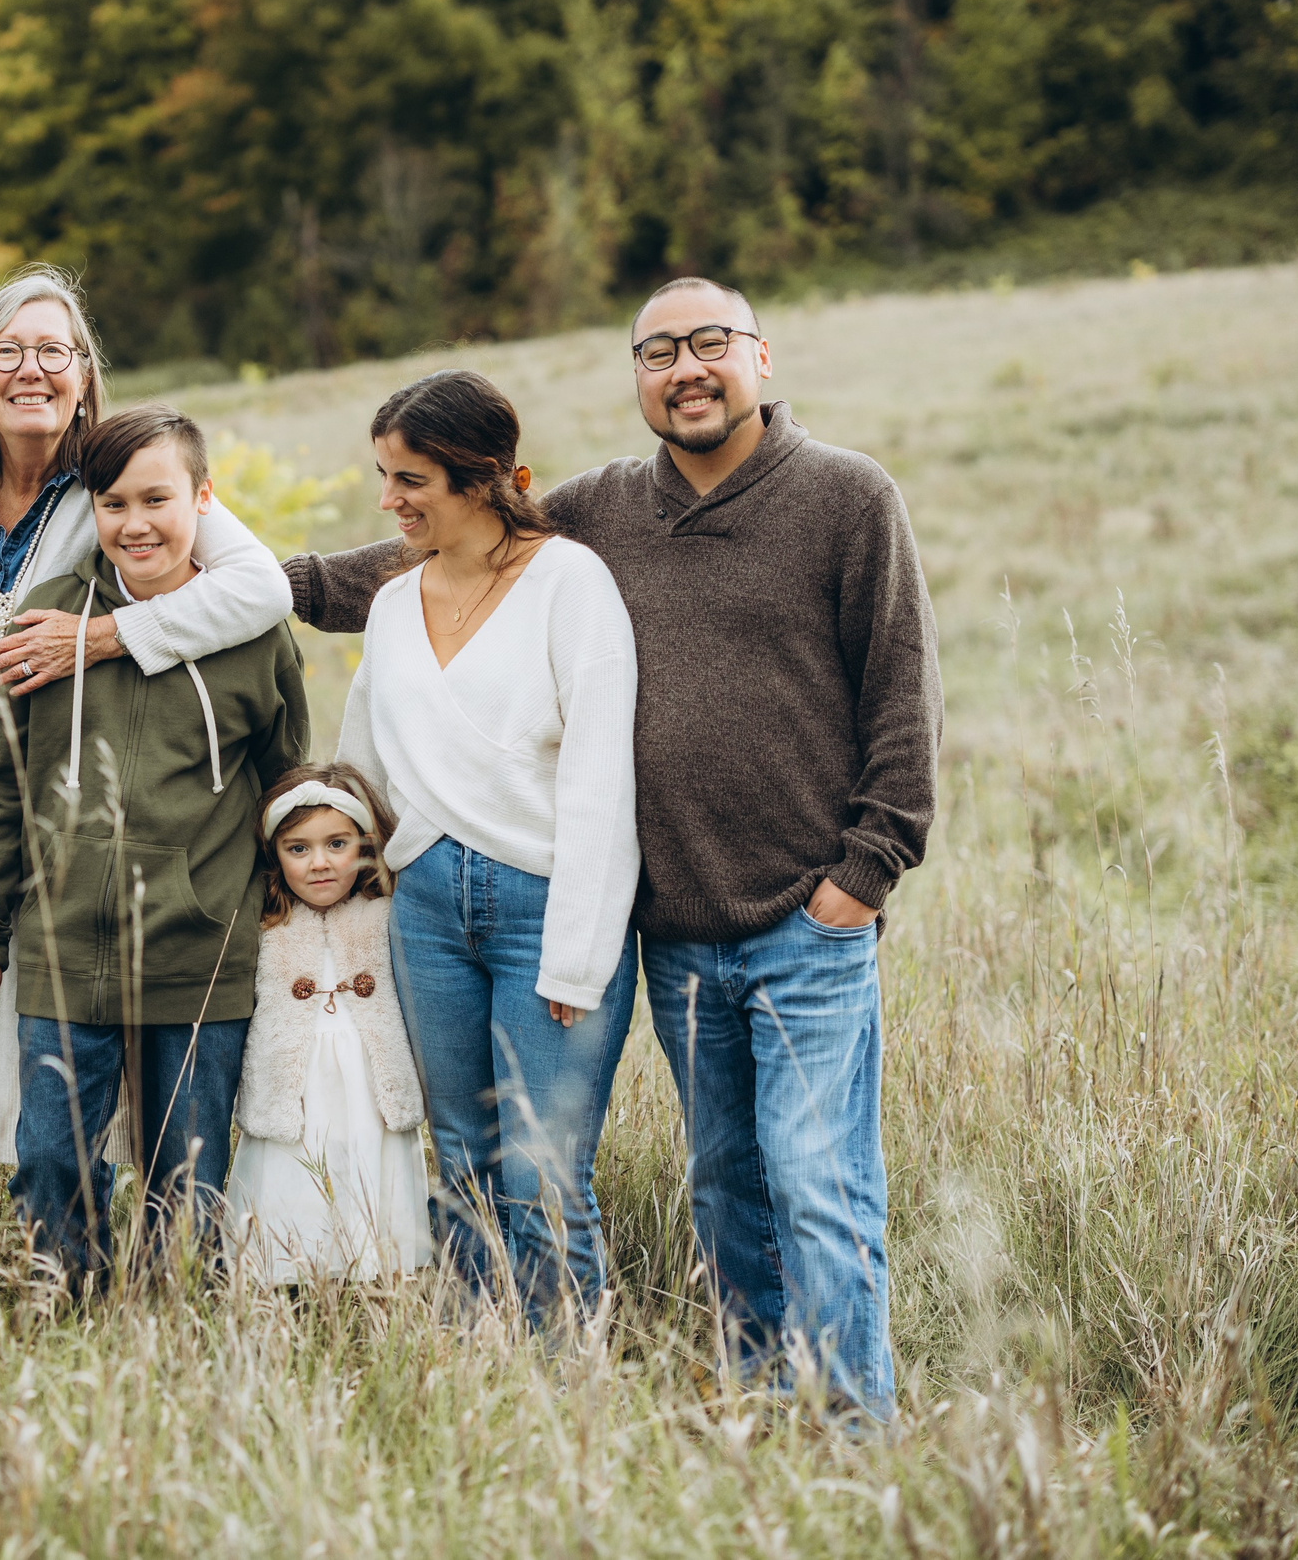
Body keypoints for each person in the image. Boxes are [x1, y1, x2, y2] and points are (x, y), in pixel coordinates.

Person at [287, 278, 941, 1413]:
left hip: (806, 919)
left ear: (760, 358)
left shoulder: (846, 498)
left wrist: (862, 875)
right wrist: (262, 582)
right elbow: (438, 546)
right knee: (727, 1185)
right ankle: (756, 1407)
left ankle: (851, 1436)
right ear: (635, 376)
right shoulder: (600, 510)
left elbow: (902, 699)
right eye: (658, 352)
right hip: (678, 928)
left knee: (819, 1186)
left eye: (709, 344)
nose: (685, 368)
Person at [0, 267, 291, 1278]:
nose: (29, 369)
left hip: (78, 857)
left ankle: (103, 1298)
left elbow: (260, 587)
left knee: (61, 1111)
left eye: (52, 350)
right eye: (5, 350)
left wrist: (102, 636)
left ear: (84, 371)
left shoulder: (114, 480)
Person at [0, 404, 311, 1287]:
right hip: (63, 947)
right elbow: (2, 790)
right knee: (50, 1166)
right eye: (113, 503)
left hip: (200, 952)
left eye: (157, 499)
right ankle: (65, 1326)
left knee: (187, 1183)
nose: (135, 523)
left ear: (203, 498)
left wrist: (270, 914)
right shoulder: (44, 616)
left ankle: (176, 1339)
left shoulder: (253, 634)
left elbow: (285, 782)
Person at [330, 370, 641, 1325]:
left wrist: (580, 951)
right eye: (384, 475)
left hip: (545, 904)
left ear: (482, 479)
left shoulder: (569, 583)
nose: (389, 501)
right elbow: (362, 763)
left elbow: (599, 779)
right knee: (460, 1154)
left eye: (410, 479)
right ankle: (481, 1370)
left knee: (543, 1170)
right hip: (424, 908)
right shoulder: (392, 606)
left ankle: (565, 1384)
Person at [223, 763, 432, 1285]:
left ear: (364, 845)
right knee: (292, 1176)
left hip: (369, 1085)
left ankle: (374, 1281)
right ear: (276, 855)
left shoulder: (386, 912)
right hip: (292, 1088)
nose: (319, 863)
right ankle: (288, 1275)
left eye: (336, 844)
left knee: (366, 1169)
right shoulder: (266, 921)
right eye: (299, 849)